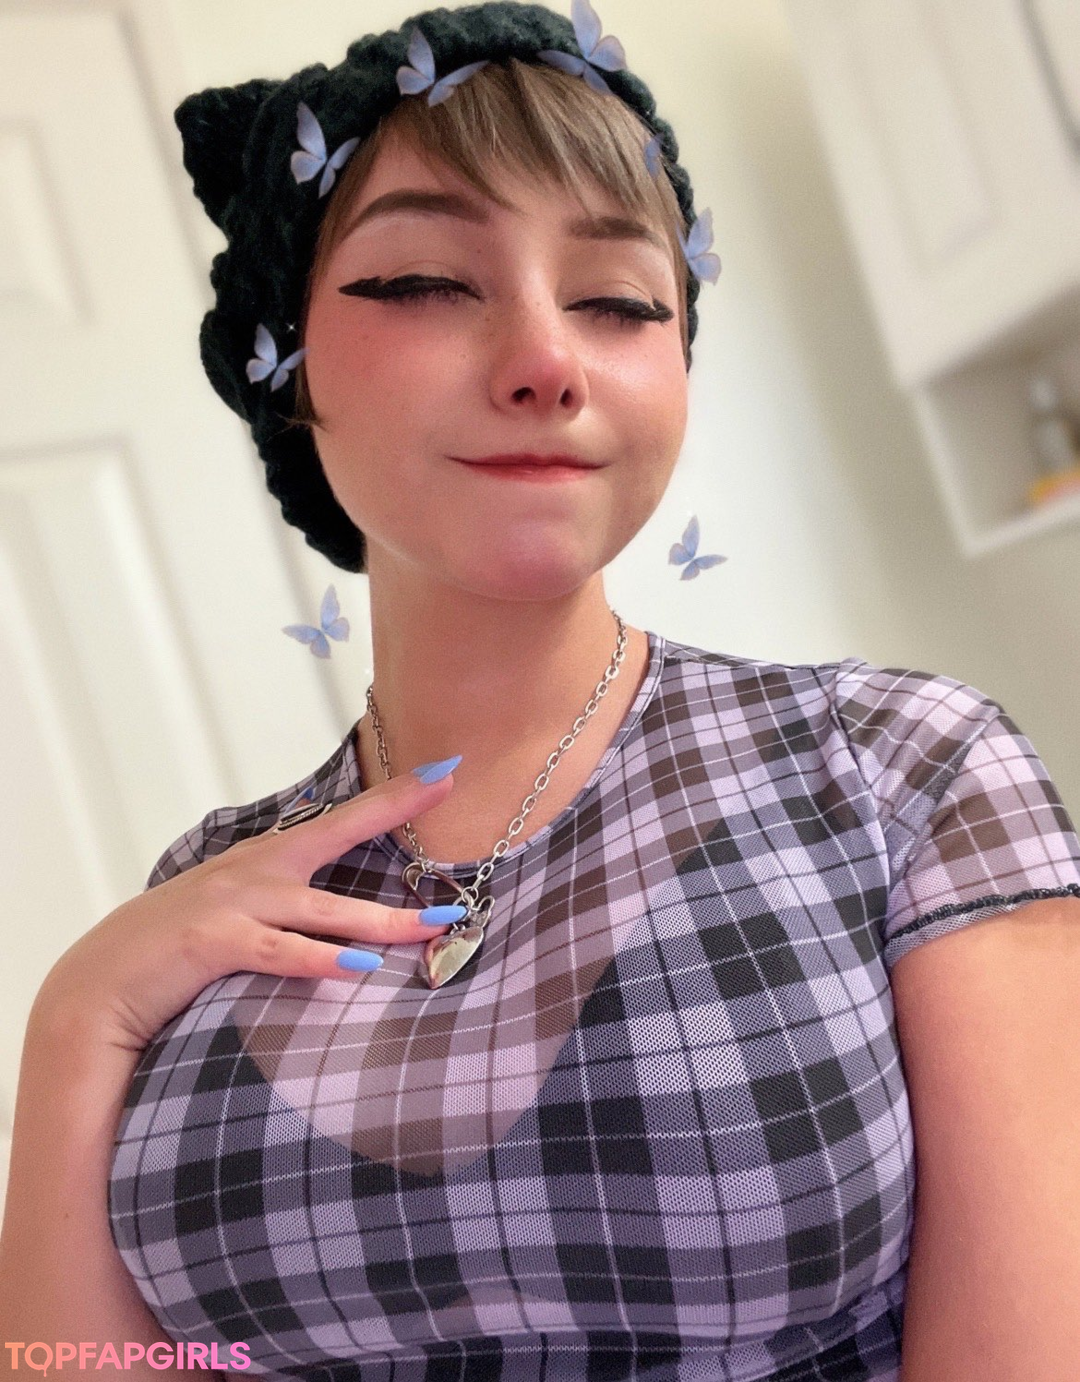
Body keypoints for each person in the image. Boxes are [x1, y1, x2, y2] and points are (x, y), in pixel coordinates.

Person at [2, 4, 1079, 1379]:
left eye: (618, 300)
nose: (545, 361)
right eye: (423, 282)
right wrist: (77, 1016)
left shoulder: (906, 767)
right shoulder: (206, 891)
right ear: (288, 364)